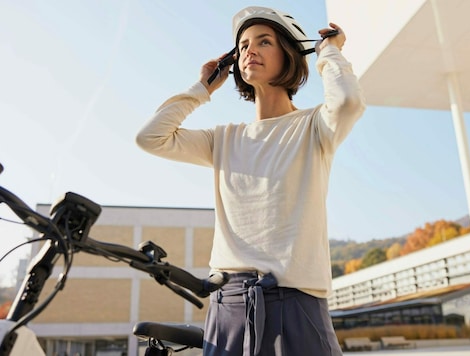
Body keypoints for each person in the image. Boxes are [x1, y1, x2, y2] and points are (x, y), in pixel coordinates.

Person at [136, 6, 365, 355]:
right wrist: (202, 88)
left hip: (297, 303)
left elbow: (348, 101)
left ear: (288, 55)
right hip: (229, 306)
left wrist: (329, 52)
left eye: (264, 41)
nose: (249, 50)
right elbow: (150, 137)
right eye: (242, 45)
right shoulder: (223, 139)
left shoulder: (313, 126)